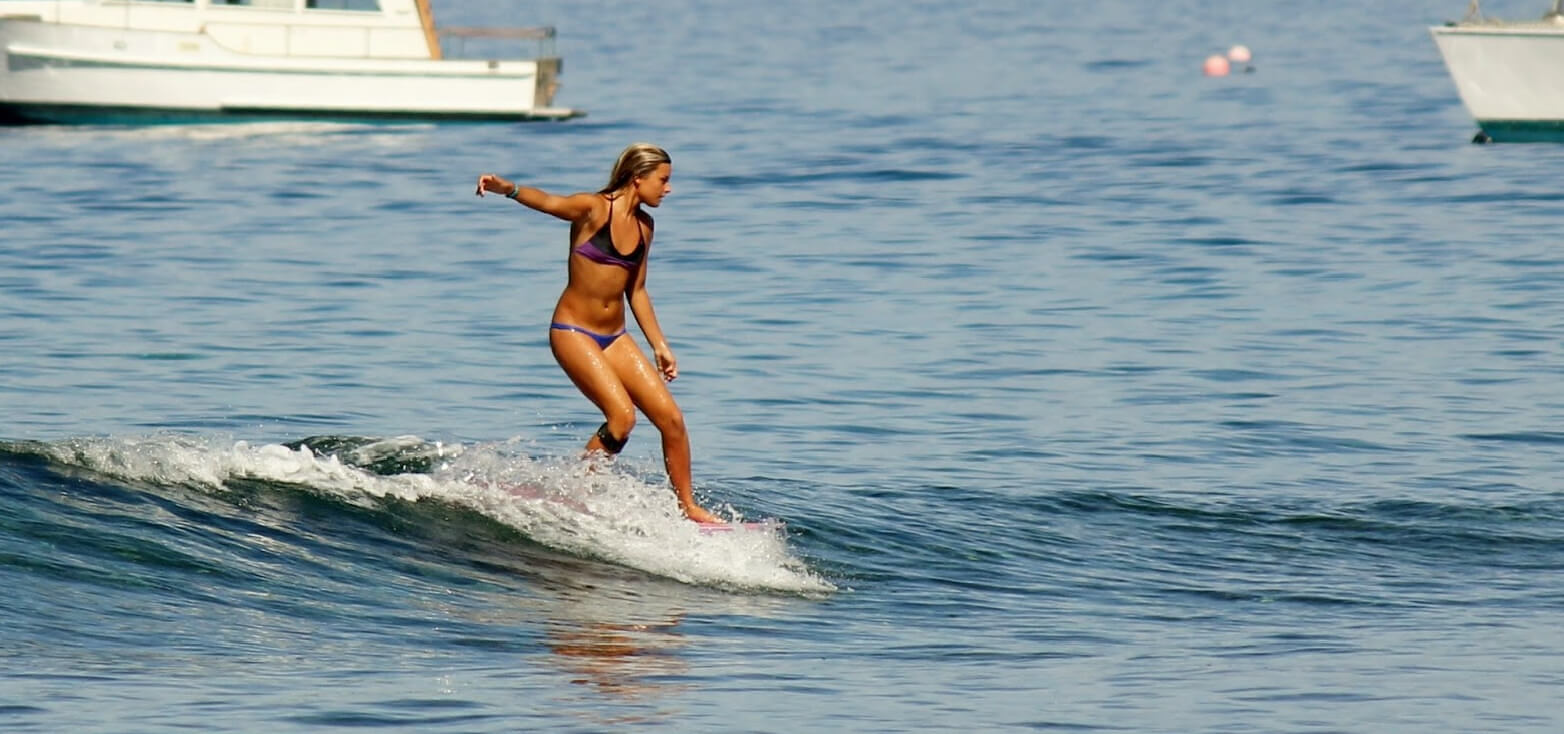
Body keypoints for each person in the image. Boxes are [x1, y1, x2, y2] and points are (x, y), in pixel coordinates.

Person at [475, 143, 721, 524]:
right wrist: (508, 188)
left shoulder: (645, 227)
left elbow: (637, 291)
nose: (668, 188)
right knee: (622, 417)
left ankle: (687, 508)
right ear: (637, 178)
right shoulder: (593, 209)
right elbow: (550, 202)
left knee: (672, 420)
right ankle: (576, 491)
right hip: (573, 332)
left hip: (615, 337)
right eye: (663, 180)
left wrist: (660, 345)